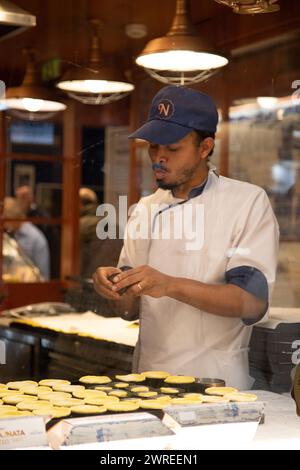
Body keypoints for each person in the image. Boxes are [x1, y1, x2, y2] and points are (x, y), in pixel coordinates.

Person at [93, 85, 279, 389]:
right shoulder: (145, 208)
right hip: (148, 380)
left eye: (173, 148)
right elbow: (129, 309)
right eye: (154, 147)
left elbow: (251, 302)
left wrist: (169, 285)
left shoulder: (246, 202)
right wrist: (113, 287)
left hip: (216, 383)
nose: (159, 158)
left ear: (205, 147)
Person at [79, 188, 123, 278]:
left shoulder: (78, 226)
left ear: (79, 203)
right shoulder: (113, 225)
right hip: (112, 278)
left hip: (87, 280)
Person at [3, 197, 50, 280]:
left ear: (12, 217)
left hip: (30, 287)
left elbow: (43, 276)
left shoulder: (35, 238)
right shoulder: (10, 233)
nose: (3, 224)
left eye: (4, 220)